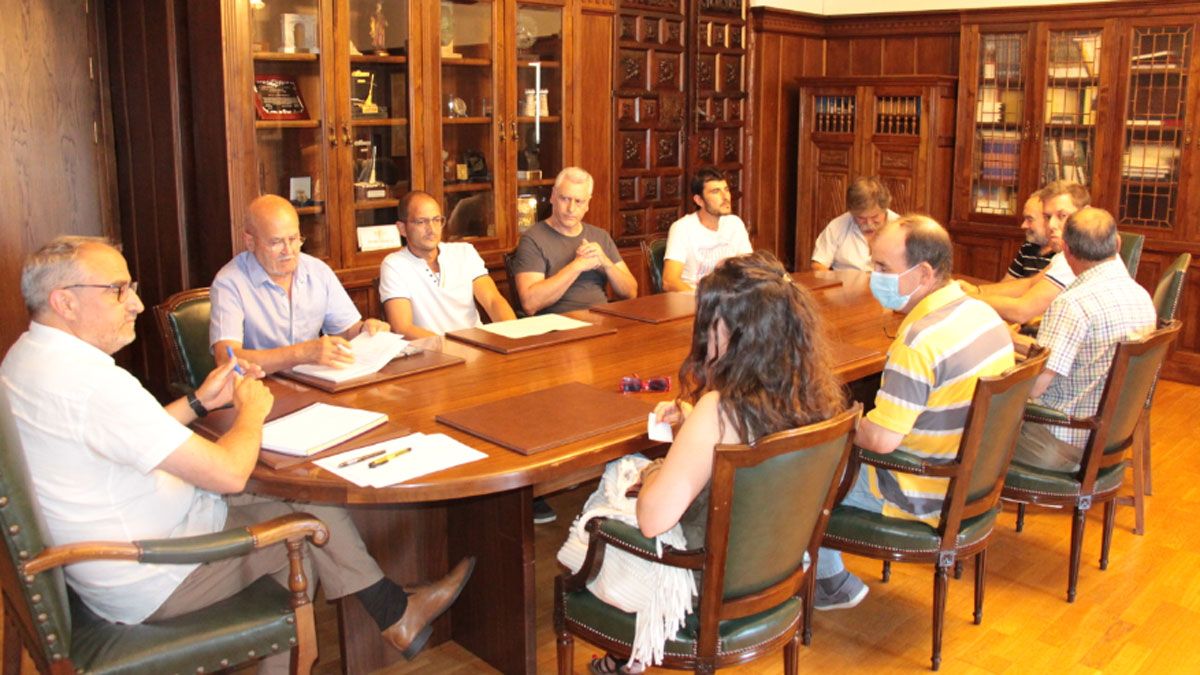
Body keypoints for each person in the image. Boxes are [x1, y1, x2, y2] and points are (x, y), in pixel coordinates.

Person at [0, 237, 475, 669]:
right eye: (117, 291)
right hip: (152, 572)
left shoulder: (28, 358)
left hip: (120, 546)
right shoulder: (92, 384)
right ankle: (395, 614)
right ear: (64, 301)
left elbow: (124, 438)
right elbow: (227, 473)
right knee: (306, 534)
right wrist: (250, 411)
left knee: (304, 499)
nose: (137, 304)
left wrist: (198, 402)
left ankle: (396, 612)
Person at [579, 251, 847, 674]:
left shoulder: (720, 410)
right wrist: (695, 429)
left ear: (734, 329)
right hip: (780, 564)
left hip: (710, 582)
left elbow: (652, 521)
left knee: (614, 484)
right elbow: (756, 444)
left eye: (708, 323)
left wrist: (657, 468)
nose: (702, 334)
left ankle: (633, 651)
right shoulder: (814, 393)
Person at [814, 215, 1015, 609]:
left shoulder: (920, 341)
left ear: (923, 273)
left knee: (801, 464)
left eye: (884, 268)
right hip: (974, 481)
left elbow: (882, 441)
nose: (875, 276)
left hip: (920, 489)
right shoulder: (984, 315)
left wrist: (845, 421)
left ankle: (825, 582)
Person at [1011, 207, 1156, 471]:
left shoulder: (1072, 304)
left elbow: (1035, 388)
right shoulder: (1142, 297)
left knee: (967, 422)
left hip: (1060, 443)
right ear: (1118, 243)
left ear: (1065, 251)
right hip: (1109, 440)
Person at [210, 194, 391, 374]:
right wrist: (302, 353)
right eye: (276, 242)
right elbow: (226, 359)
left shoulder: (317, 271)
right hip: (259, 388)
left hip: (315, 382)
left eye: (294, 239)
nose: (288, 251)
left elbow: (345, 330)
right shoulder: (229, 282)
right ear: (250, 242)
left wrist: (364, 330)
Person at [380, 190, 516, 338]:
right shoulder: (394, 265)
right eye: (421, 222)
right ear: (402, 228)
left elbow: (492, 301)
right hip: (432, 354)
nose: (431, 229)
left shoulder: (464, 252)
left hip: (478, 347)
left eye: (436, 220)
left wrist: (514, 335)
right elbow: (402, 328)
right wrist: (450, 348)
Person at [511, 167, 637, 315]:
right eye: (565, 199)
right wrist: (577, 266)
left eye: (579, 201)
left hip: (603, 320)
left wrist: (606, 262)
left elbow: (631, 292)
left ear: (587, 204)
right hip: (558, 327)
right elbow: (530, 303)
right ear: (553, 196)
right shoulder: (532, 239)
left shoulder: (600, 236)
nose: (571, 208)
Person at [961, 181, 1091, 324]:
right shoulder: (1067, 253)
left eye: (1062, 216)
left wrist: (964, 297)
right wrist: (977, 291)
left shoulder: (1080, 256)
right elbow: (1029, 284)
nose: (1052, 225)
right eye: (1048, 217)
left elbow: (1022, 311)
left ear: (1085, 212)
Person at [661, 167, 752, 292]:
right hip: (694, 302)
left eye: (726, 190)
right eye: (716, 191)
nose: (725, 197)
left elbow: (749, 269)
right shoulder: (682, 228)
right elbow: (669, 281)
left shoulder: (735, 223)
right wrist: (704, 301)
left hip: (730, 302)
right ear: (699, 200)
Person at [810, 176, 900, 272]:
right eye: (861, 218)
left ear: (885, 208)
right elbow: (818, 266)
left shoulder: (901, 228)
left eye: (875, 217)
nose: (869, 223)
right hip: (846, 284)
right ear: (851, 212)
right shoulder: (837, 226)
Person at [1003, 192, 1054, 280]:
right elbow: (1007, 284)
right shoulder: (1029, 245)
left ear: (1048, 220)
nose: (1023, 225)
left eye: (1030, 219)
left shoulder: (1066, 256)